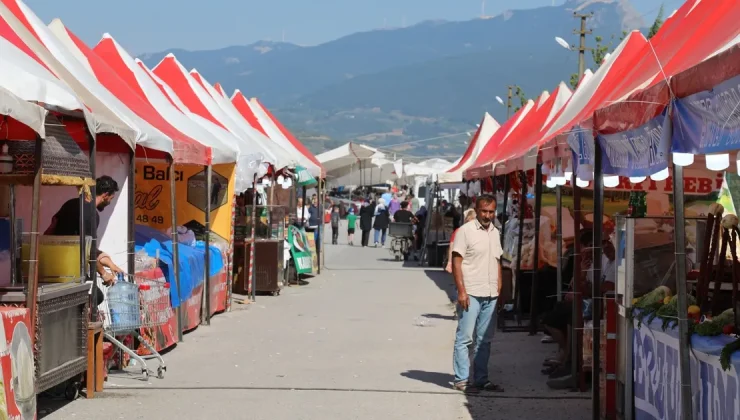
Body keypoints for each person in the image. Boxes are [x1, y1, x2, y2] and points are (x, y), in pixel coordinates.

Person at [450, 194, 504, 393]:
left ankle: (481, 379)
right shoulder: (466, 231)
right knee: (465, 338)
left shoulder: (495, 232)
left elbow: (497, 260)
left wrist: (499, 284)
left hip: (490, 292)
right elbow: (457, 261)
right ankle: (461, 380)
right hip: (471, 291)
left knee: (485, 340)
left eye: (491, 211)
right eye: (484, 211)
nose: (488, 215)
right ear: (477, 209)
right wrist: (461, 291)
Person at [45, 176, 123, 303]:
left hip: (51, 263)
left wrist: (111, 265)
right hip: (71, 269)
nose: (109, 202)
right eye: (111, 198)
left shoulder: (71, 204)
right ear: (105, 195)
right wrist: (104, 273)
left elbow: (53, 229)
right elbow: (90, 251)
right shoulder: (91, 213)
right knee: (96, 297)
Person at [446, 209, 477, 273]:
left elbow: (451, 246)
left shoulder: (459, 230)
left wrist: (449, 262)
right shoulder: (459, 231)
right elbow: (451, 246)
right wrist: (449, 262)